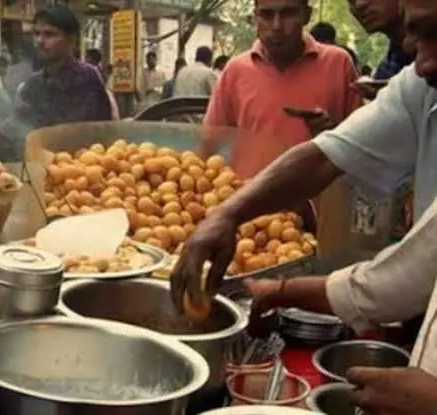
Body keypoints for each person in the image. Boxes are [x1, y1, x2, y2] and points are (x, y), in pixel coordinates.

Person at [171, 1, 437, 409]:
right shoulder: (421, 87)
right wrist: (229, 216)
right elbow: (326, 155)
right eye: (414, 37)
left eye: (433, 33)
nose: (422, 62)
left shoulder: (339, 64)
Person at [202, 0, 361, 178]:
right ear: (255, 17)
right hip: (250, 200)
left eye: (288, 13)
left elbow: (363, 146)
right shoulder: (235, 71)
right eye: (267, 15)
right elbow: (209, 146)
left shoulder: (338, 64)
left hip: (319, 201)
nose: (277, 26)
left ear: (306, 15)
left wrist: (333, 134)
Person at [0, 5, 112, 161]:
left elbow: (75, 134)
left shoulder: (86, 77)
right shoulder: (32, 85)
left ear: (71, 40)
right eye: (36, 34)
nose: (40, 41)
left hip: (78, 169)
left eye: (49, 34)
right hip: (37, 169)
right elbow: (13, 129)